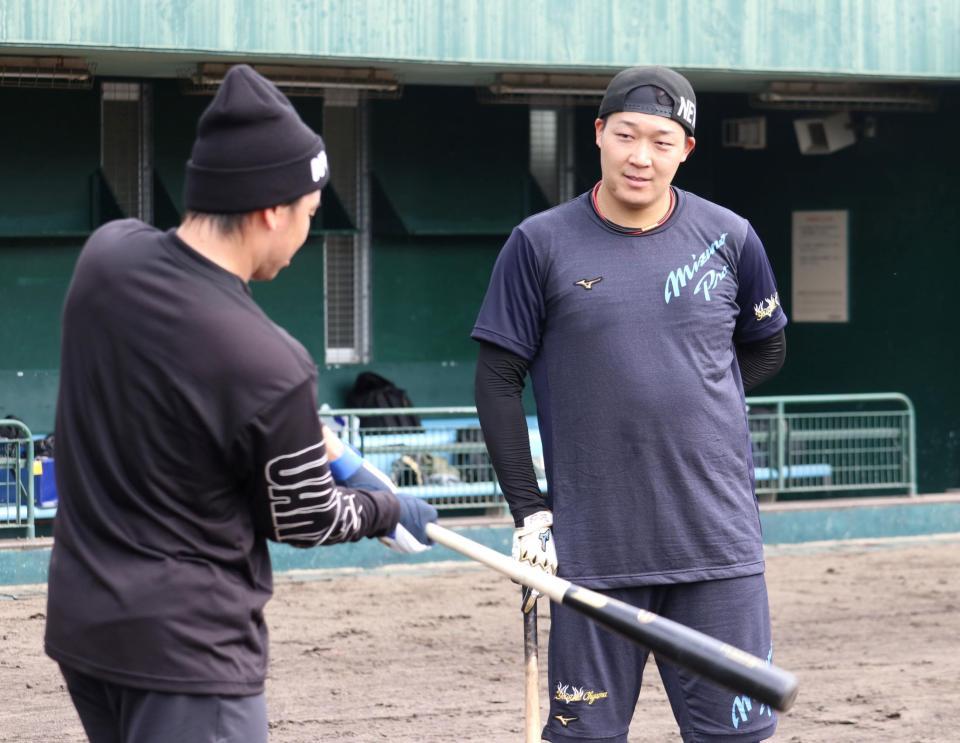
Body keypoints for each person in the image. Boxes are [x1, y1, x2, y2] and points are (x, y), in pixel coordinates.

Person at [44, 65, 437, 743]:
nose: (306, 234)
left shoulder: (106, 258)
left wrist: (334, 454)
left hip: (85, 631)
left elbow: (212, 402)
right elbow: (306, 516)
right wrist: (390, 506)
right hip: (191, 660)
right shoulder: (270, 361)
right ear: (269, 210)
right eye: (309, 215)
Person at [473, 66, 787, 742]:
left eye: (661, 141)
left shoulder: (732, 238)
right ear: (598, 135)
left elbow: (766, 347)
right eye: (625, 135)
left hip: (717, 547)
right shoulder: (539, 243)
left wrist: (697, 397)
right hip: (595, 552)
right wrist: (528, 510)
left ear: (686, 150)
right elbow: (498, 377)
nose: (640, 156)